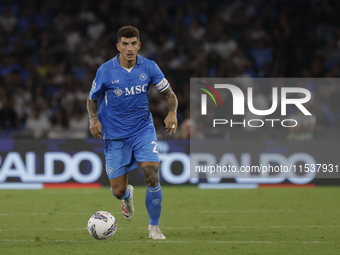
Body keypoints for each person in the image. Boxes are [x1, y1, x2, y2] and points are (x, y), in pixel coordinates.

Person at [86, 26, 178, 240]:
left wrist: (172, 112)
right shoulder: (105, 70)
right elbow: (92, 98)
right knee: (117, 190)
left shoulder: (150, 67)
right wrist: (93, 118)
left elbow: (169, 94)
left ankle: (154, 228)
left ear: (139, 45)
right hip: (115, 135)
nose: (129, 48)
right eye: (125, 44)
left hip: (142, 130)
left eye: (133, 43)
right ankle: (127, 197)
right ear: (118, 46)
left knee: (151, 176)